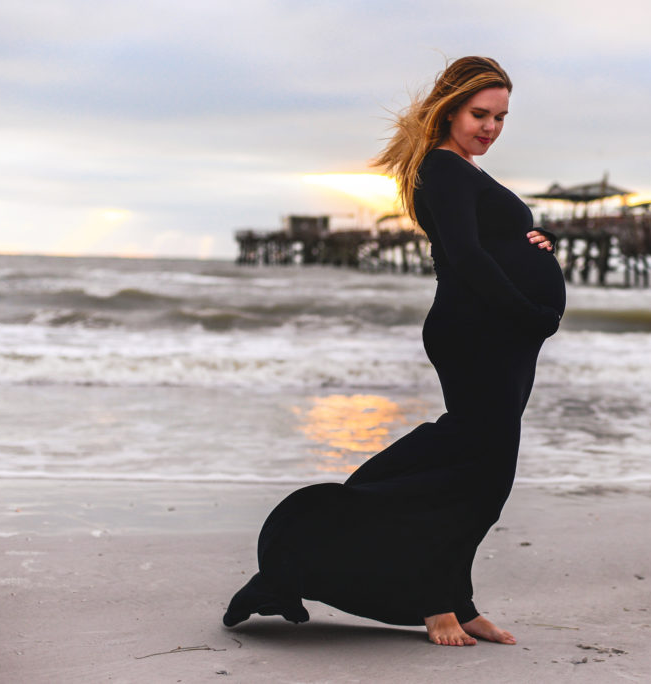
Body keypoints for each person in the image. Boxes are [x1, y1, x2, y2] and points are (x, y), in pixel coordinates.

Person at [222, 56, 566, 647]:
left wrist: (530, 244)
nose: (490, 127)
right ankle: (425, 594)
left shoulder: (459, 170)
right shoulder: (444, 168)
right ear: (450, 108)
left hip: (500, 333)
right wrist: (530, 310)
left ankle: (457, 598)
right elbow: (465, 256)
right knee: (476, 470)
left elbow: (488, 242)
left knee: (481, 470)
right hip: (477, 331)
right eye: (479, 114)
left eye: (501, 117)